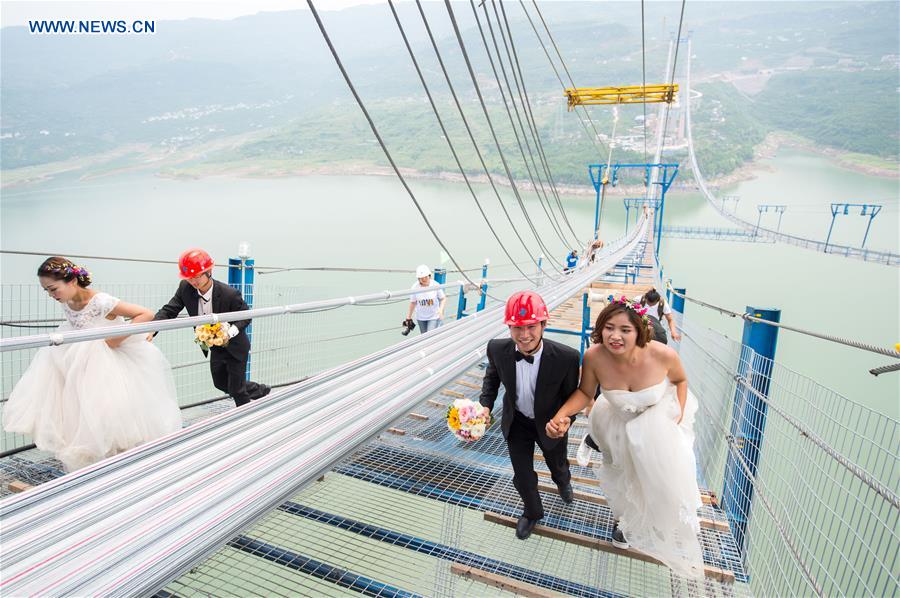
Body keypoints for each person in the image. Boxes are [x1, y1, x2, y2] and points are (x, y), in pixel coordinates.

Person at [546, 297, 704, 578]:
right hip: (617, 419)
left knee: (660, 472)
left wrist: (678, 415)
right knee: (621, 473)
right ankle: (623, 521)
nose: (615, 336)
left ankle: (657, 515)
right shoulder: (594, 356)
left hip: (656, 419)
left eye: (625, 330)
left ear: (639, 331)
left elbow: (680, 381)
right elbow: (585, 393)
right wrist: (562, 415)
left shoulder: (663, 355)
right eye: (608, 327)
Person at [3, 257, 182, 472]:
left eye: (53, 289)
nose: (51, 295)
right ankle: (97, 464)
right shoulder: (68, 302)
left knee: (111, 411)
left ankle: (125, 463)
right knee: (80, 410)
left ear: (71, 281)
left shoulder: (101, 301)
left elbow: (145, 314)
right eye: (47, 291)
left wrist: (115, 338)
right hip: (77, 361)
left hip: (107, 363)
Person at [479, 291, 581, 540]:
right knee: (522, 475)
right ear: (509, 327)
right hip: (517, 422)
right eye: (517, 328)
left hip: (550, 422)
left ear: (544, 325)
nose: (524, 335)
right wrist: (485, 406)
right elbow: (491, 379)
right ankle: (533, 511)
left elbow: (572, 399)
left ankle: (563, 482)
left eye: (531, 326)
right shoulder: (496, 349)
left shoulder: (567, 358)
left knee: (557, 464)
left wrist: (565, 421)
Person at [153, 248, 270, 407]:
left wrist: (229, 333)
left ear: (209, 271)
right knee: (220, 383)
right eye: (189, 278)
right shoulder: (185, 288)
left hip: (235, 346)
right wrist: (151, 329)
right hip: (213, 345)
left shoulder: (229, 293)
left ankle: (247, 421)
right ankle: (260, 390)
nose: (193, 281)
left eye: (196, 276)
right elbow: (170, 310)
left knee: (236, 390)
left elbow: (245, 315)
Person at [405, 264, 446, 334]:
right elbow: (413, 302)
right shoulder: (415, 287)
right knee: (424, 336)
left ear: (429, 276)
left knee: (429, 335)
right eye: (421, 278)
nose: (424, 279)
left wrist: (440, 310)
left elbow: (443, 298)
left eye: (425, 277)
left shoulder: (435, 285)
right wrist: (408, 317)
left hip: (434, 316)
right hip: (421, 317)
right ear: (418, 278)